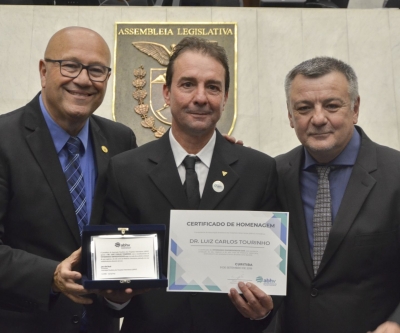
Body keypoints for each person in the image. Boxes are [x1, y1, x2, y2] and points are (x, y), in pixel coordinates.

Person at [102, 36, 278, 333]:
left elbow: (273, 275)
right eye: (187, 84)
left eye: (212, 86)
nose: (201, 97)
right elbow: (115, 276)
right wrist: (115, 298)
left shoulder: (259, 171)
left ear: (225, 97)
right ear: (167, 93)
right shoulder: (125, 170)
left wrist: (263, 312)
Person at [0, 27, 137, 333]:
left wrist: (209, 149)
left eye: (97, 70)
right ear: (43, 71)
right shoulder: (3, 140)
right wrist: (51, 276)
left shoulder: (120, 140)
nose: (84, 79)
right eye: (70, 65)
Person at [275, 56, 400, 333]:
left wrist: (396, 323)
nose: (318, 119)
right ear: (289, 115)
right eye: (304, 108)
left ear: (355, 108)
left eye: (332, 106)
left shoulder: (396, 174)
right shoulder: (273, 174)